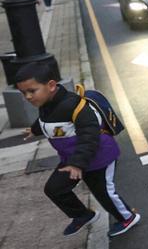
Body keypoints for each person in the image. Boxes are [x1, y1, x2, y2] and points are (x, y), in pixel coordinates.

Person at [16, 60, 140, 238]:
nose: (28, 97)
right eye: (23, 93)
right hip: (73, 160)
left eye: (31, 91)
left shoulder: (74, 106)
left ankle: (128, 217)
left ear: (51, 85)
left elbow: (90, 137)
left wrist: (77, 164)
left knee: (104, 192)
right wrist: (35, 130)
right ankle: (83, 215)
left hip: (98, 158)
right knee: (54, 189)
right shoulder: (46, 105)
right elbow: (46, 120)